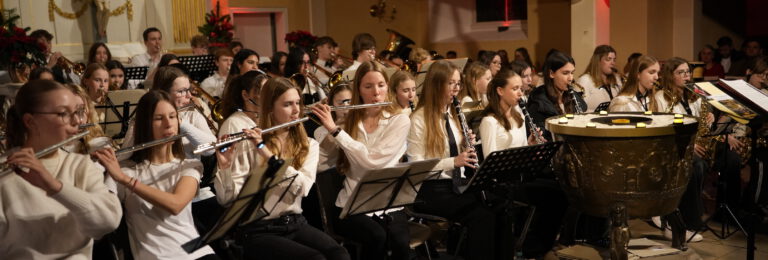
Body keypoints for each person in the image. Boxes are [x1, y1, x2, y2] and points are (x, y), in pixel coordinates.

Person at [215, 77, 350, 260]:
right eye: (287, 104)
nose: (296, 111)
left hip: (295, 223)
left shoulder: (308, 145)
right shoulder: (248, 145)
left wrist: (267, 154)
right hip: (257, 229)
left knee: (339, 254)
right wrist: (224, 168)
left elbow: (303, 188)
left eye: (297, 103)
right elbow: (227, 200)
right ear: (270, 108)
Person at [0, 79, 121, 258]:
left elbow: (108, 221)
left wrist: (55, 187)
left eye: (78, 112)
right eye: (63, 113)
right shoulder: (5, 172)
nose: (76, 121)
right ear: (30, 121)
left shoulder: (80, 165)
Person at [92, 90, 218, 259]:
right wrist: (95, 170)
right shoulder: (123, 170)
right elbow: (101, 220)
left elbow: (176, 204)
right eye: (159, 118)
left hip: (197, 253)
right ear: (144, 125)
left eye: (173, 116)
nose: (168, 124)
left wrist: (124, 180)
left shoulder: (189, 165)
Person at [311, 61, 411, 260]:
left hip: (387, 203)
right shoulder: (348, 121)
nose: (376, 93)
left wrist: (338, 132)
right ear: (359, 90)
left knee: (399, 244)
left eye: (381, 85)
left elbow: (373, 164)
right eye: (368, 86)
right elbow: (320, 164)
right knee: (376, 237)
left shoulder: (399, 120)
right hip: (350, 204)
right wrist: (328, 128)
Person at [407, 60, 496, 259]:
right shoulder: (418, 119)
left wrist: (466, 144)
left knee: (498, 205)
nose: (456, 89)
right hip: (429, 190)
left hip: (456, 185)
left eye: (458, 83)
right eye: (451, 83)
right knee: (481, 217)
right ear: (436, 84)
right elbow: (415, 167)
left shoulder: (453, 114)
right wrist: (453, 162)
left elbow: (454, 151)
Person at [650, 57, 705, 242]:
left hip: (693, 144)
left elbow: (700, 125)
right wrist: (690, 145)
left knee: (727, 160)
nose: (686, 76)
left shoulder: (694, 96)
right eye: (681, 72)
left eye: (688, 72)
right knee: (696, 166)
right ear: (670, 76)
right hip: (672, 148)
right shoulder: (661, 98)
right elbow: (664, 129)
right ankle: (689, 222)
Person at [120, 66, 217, 160]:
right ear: (163, 93)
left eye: (188, 90)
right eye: (181, 91)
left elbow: (210, 150)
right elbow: (123, 158)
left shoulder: (192, 115)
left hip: (188, 173)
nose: (189, 95)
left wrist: (182, 124)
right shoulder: (145, 118)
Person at [527, 51, 586, 141]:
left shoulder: (572, 97)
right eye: (565, 73)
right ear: (551, 73)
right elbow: (541, 137)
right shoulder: (538, 103)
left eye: (572, 73)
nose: (571, 78)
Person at [314, 83, 352, 172]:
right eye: (340, 103)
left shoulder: (361, 125)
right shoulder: (320, 131)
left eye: (350, 101)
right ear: (331, 104)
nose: (346, 107)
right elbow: (319, 165)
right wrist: (334, 129)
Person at [576, 45, 623, 112]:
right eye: (608, 59)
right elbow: (579, 109)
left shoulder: (617, 79)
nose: (613, 63)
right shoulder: (585, 80)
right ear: (598, 61)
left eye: (614, 60)